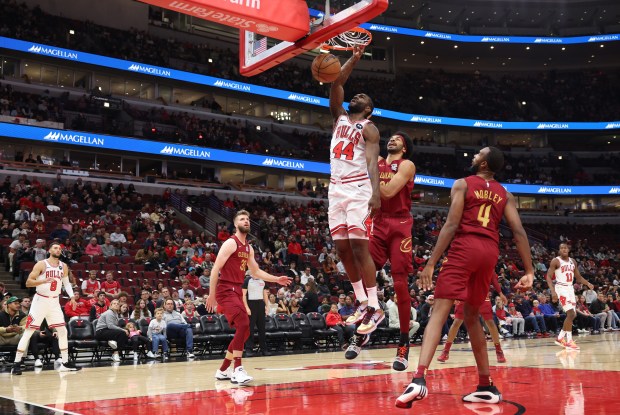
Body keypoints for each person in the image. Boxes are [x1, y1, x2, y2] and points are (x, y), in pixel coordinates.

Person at [396, 147, 534, 408]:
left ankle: (418, 379)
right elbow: (518, 232)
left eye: (478, 153)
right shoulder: (506, 194)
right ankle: (485, 385)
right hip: (489, 252)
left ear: (483, 163)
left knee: (439, 310)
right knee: (472, 315)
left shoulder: (462, 184)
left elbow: (450, 224)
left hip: (465, 247)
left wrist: (431, 263)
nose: (473, 155)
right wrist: (528, 271)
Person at [328, 46, 382, 352]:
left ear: (369, 109)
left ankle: (373, 305)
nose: (357, 95)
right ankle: (362, 301)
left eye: (363, 97)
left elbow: (373, 162)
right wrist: (355, 58)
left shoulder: (369, 128)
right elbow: (336, 85)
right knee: (342, 249)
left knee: (360, 247)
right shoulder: (340, 118)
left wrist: (375, 192)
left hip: (359, 188)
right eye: (356, 95)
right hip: (336, 189)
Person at [207, 210, 291, 385]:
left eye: (247, 219)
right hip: (225, 289)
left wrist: (277, 279)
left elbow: (256, 271)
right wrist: (211, 295)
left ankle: (223, 370)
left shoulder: (249, 248)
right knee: (244, 324)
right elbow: (215, 269)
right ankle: (237, 369)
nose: (246, 221)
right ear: (235, 223)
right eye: (242, 219)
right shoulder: (231, 243)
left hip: (236, 289)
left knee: (244, 332)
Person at [367, 132, 416, 369]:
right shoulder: (377, 162)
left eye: (399, 139)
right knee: (363, 270)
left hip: (400, 224)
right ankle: (368, 317)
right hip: (379, 220)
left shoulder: (407, 165)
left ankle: (404, 342)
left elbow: (386, 192)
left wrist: (369, 170)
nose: (393, 140)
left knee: (399, 282)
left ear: (404, 148)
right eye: (392, 137)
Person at [11, 242, 81, 374]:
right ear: (49, 250)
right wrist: (43, 281)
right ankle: (16, 363)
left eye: (60, 248)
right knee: (29, 332)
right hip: (40, 300)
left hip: (54, 302)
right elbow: (28, 282)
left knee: (62, 331)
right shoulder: (41, 264)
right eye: (55, 248)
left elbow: (66, 283)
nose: (58, 250)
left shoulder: (63, 266)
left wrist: (72, 298)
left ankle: (65, 362)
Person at [438, 283, 508, 364]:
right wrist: (454, 294)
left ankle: (499, 351)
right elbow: (456, 278)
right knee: (457, 322)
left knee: (490, 322)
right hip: (464, 293)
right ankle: (446, 351)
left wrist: (500, 293)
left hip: (480, 292)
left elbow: (493, 277)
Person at [242, 270, 270, 357]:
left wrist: (267, 306)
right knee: (250, 329)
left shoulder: (262, 280)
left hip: (260, 304)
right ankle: (249, 349)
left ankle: (264, 349)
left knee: (262, 328)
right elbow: (243, 295)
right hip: (250, 304)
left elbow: (264, 293)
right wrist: (246, 307)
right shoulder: (247, 280)